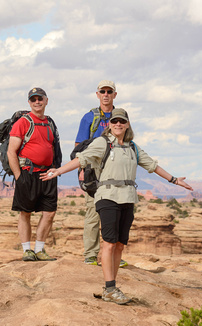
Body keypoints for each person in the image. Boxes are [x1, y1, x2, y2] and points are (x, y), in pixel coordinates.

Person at [41, 108, 193, 304]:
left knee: (120, 244)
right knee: (110, 242)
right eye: (115, 121)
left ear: (127, 124)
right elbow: (81, 159)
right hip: (107, 196)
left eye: (122, 121)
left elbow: (152, 165)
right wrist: (58, 172)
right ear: (110, 125)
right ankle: (110, 287)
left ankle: (112, 286)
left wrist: (174, 180)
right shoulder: (102, 143)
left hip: (127, 198)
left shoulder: (133, 148)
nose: (118, 124)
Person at [75, 80, 126, 267]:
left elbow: (127, 142)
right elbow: (79, 146)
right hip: (94, 170)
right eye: (102, 91)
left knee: (115, 212)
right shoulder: (89, 117)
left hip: (116, 170)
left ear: (114, 94)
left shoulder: (120, 116)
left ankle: (113, 254)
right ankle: (90, 254)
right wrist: (81, 170)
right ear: (97, 94)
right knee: (93, 212)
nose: (106, 94)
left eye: (109, 91)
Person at [7, 87, 59, 262]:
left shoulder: (50, 122)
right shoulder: (23, 122)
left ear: (46, 100)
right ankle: (27, 250)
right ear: (29, 102)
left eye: (40, 99)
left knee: (49, 213)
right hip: (27, 173)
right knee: (25, 212)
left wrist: (55, 169)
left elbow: (54, 147)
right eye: (33, 99)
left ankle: (39, 249)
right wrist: (18, 176)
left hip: (48, 173)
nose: (37, 102)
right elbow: (11, 151)